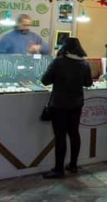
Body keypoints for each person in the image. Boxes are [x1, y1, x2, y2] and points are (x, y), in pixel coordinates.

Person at [40, 38, 93, 178]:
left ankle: (59, 169)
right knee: (74, 134)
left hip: (59, 104)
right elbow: (88, 83)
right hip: (77, 104)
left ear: (65, 48)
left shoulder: (58, 62)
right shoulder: (84, 63)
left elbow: (45, 80)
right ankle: (73, 165)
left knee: (60, 136)